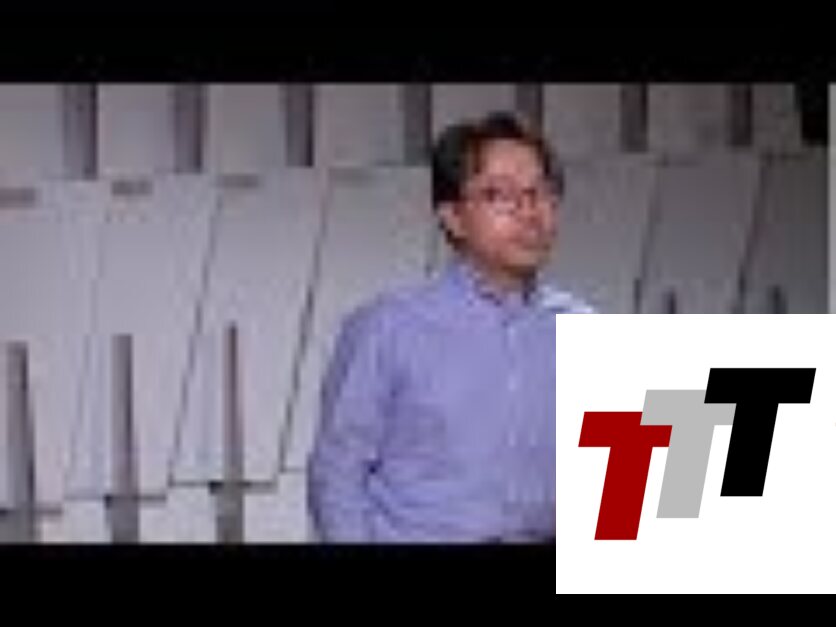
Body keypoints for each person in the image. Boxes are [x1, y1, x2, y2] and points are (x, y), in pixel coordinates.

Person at [307, 110, 593, 543]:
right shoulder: (388, 327)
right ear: (453, 217)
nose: (528, 212)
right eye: (499, 195)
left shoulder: (586, 329)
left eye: (539, 193)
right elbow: (337, 473)